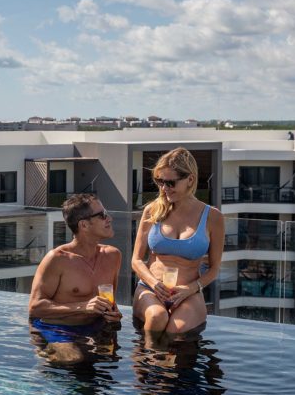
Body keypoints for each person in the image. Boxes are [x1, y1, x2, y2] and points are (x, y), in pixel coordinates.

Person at [131, 147, 225, 334]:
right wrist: (153, 283)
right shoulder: (152, 211)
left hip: (188, 293)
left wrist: (190, 289)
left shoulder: (212, 217)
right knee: (157, 317)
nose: (164, 188)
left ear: (190, 179)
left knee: (176, 331)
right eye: (160, 181)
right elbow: (136, 260)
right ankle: (143, 363)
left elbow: (214, 269)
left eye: (170, 183)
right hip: (151, 288)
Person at [29, 193, 122, 363]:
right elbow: (35, 307)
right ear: (84, 225)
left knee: (114, 361)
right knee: (74, 359)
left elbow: (110, 302)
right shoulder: (57, 259)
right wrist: (82, 306)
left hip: (95, 327)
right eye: (102, 215)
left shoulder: (113, 256)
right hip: (57, 328)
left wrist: (114, 314)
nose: (109, 218)